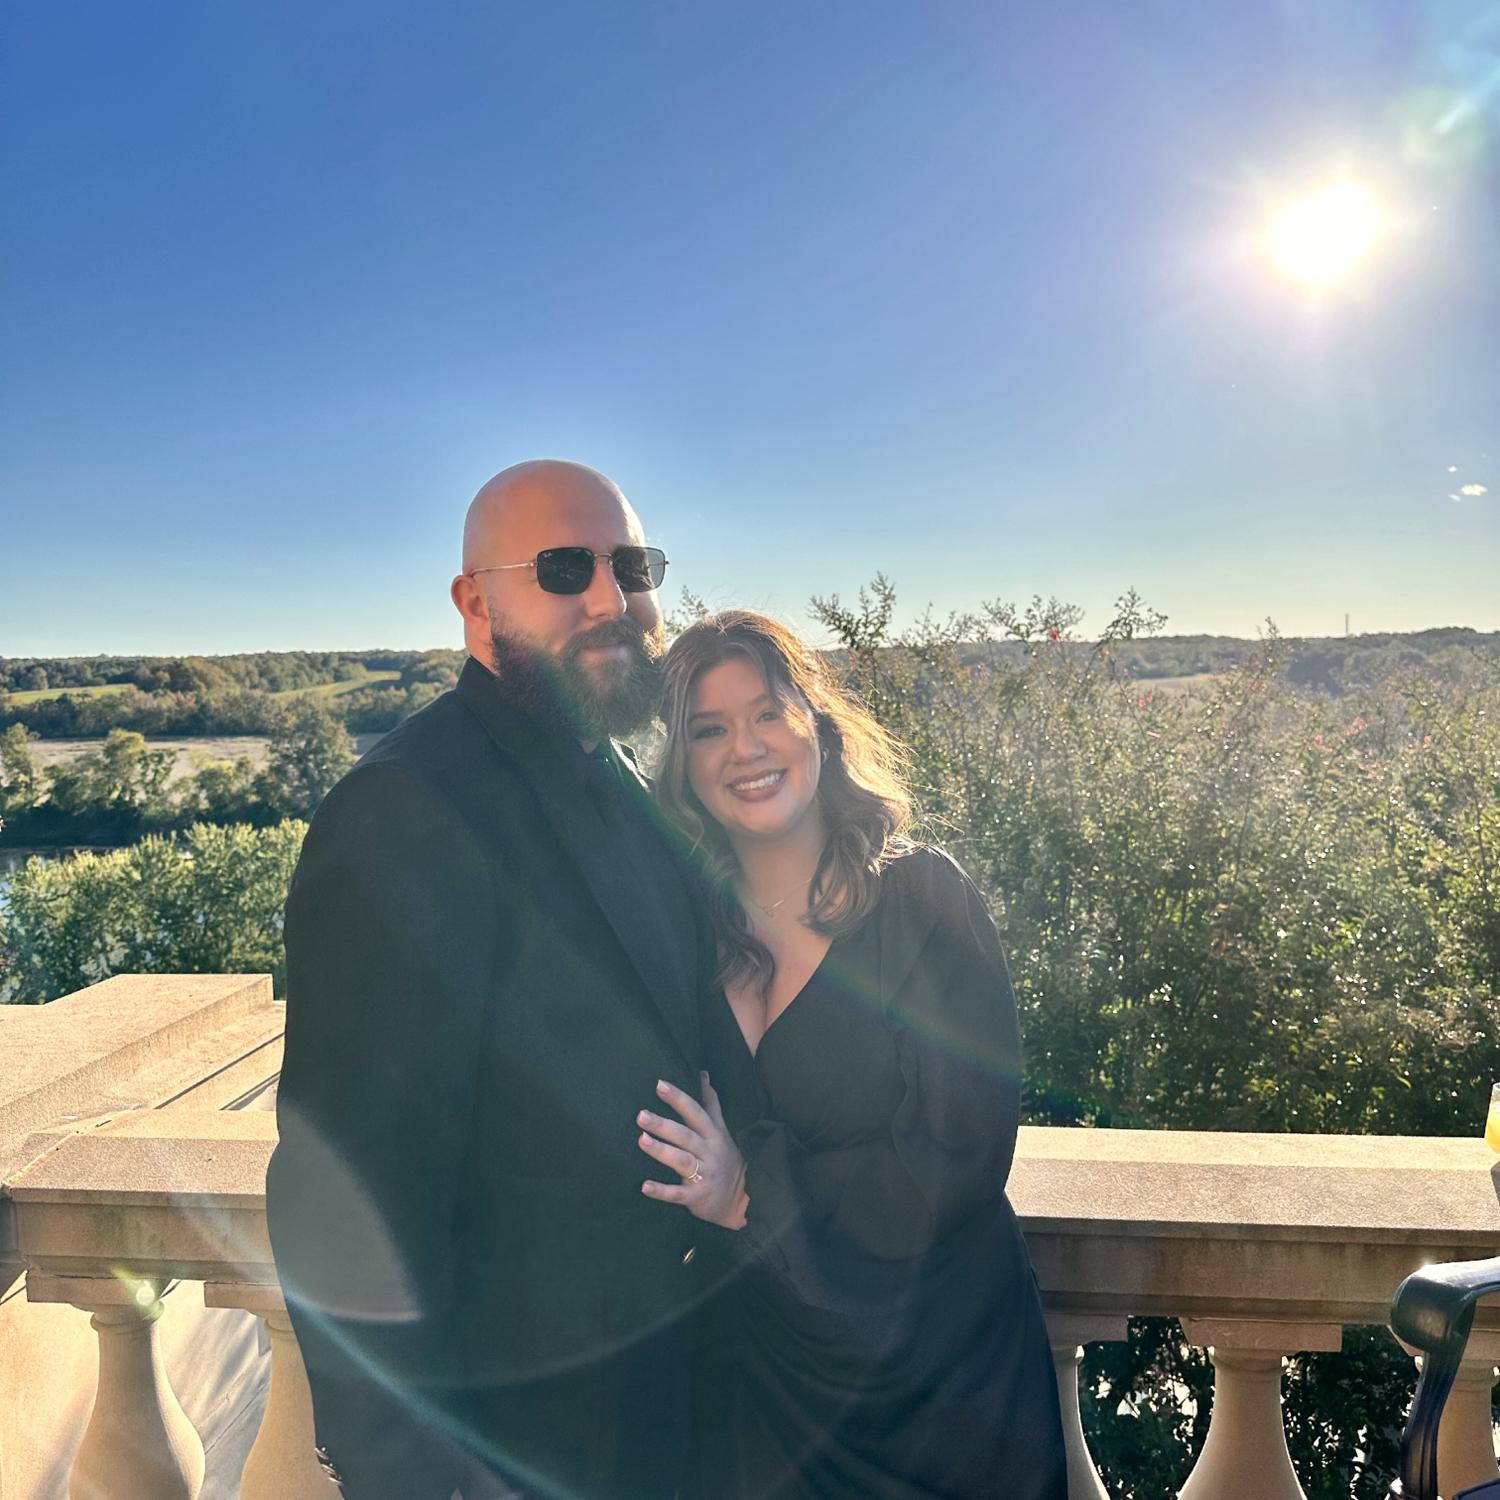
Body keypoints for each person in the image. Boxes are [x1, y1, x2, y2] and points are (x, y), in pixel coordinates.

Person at [266, 460, 730, 1500]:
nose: (609, 599)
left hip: (659, 1412)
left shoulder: (629, 778)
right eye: (564, 569)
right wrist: (407, 1473)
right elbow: (342, 1187)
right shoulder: (404, 810)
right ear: (474, 603)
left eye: (632, 567)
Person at [635, 610, 1068, 1500]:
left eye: (768, 712)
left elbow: (958, 1160)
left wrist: (747, 1195)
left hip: (942, 1384)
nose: (745, 748)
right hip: (758, 1383)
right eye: (709, 729)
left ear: (817, 725)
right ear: (682, 765)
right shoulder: (685, 934)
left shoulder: (921, 902)